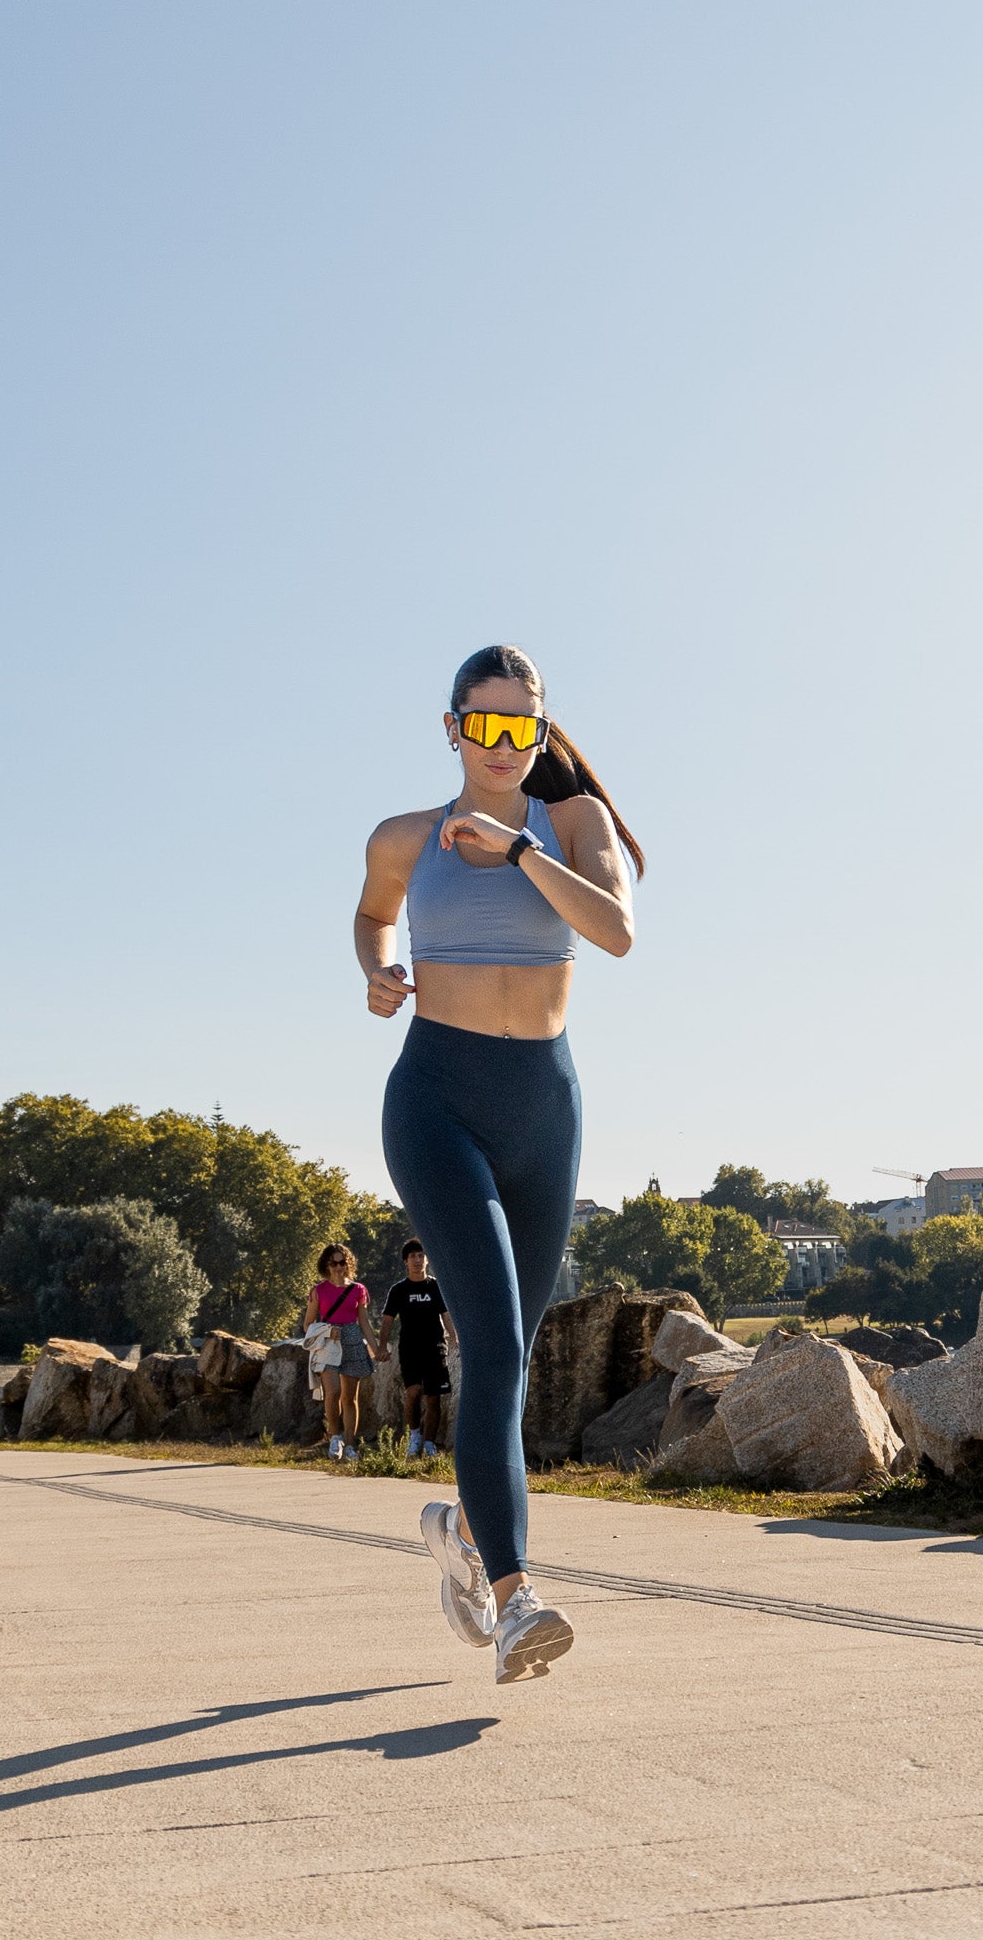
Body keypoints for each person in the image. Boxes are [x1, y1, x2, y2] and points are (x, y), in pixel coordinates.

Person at [355, 644, 640, 1685]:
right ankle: (518, 1598)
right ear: (451, 729)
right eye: (483, 724)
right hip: (435, 1097)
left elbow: (614, 931)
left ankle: (465, 1534)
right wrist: (379, 969)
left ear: (538, 725)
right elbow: (371, 912)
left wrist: (518, 850)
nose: (503, 742)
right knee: (485, 1333)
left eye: (520, 723)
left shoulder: (572, 825)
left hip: (543, 1107)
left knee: (509, 1357)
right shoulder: (404, 835)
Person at [306, 1244, 387, 1460]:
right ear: (327, 1265)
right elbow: (307, 1325)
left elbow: (365, 1323)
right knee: (332, 1392)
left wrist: (376, 1347)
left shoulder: (358, 1290)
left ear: (348, 1263)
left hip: (352, 1340)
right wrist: (326, 1332)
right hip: (329, 1343)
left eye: (343, 1262)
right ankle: (335, 1436)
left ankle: (350, 1445)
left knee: (350, 1398)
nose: (339, 1267)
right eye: (334, 1263)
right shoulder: (318, 1291)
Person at [381, 1237, 457, 1457]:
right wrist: (381, 1345)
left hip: (435, 1347)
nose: (417, 1260)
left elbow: (446, 1314)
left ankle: (429, 1443)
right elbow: (387, 1320)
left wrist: (453, 1339)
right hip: (409, 1348)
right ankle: (414, 1435)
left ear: (427, 1260)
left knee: (433, 1396)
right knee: (413, 1392)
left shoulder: (435, 1286)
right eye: (413, 1256)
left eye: (421, 1255)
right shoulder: (399, 1290)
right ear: (406, 1261)